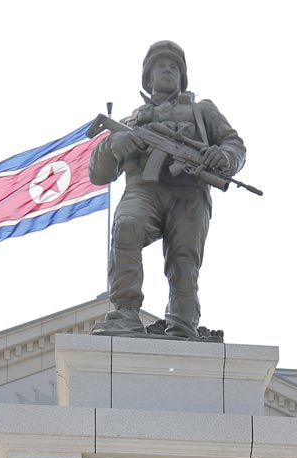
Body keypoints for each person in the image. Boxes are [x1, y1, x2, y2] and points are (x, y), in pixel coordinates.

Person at [89, 41, 246, 339]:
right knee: (125, 226)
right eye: (161, 66)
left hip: (189, 193)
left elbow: (234, 145)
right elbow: (98, 173)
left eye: (174, 67)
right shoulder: (132, 121)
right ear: (148, 79)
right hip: (143, 189)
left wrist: (223, 157)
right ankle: (125, 312)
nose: (167, 70)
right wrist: (113, 146)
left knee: (184, 262)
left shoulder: (202, 111)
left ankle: (182, 323)